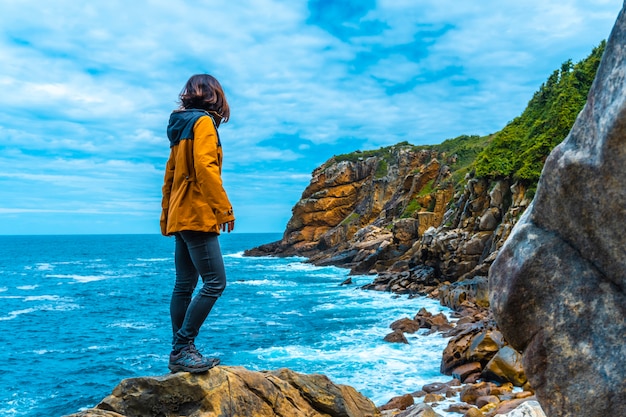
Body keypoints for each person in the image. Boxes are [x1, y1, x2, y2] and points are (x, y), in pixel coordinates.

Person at [160, 74, 235, 373]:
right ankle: (182, 349)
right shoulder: (203, 122)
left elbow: (170, 176)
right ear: (215, 95)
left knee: (184, 285)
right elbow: (206, 168)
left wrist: (167, 217)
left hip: (181, 214)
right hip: (197, 214)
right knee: (216, 282)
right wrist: (223, 209)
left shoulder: (179, 126)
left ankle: (179, 351)